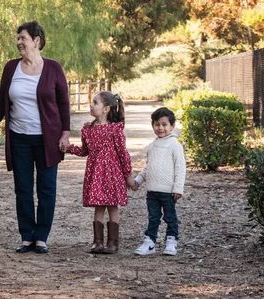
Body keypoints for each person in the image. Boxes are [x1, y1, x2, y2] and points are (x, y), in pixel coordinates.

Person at [0, 21, 70, 254]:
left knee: (46, 189)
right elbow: (2, 102)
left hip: (47, 139)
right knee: (22, 188)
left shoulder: (53, 68)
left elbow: (64, 103)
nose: (19, 42)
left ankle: (41, 237)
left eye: (22, 38)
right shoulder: (11, 67)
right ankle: (27, 236)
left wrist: (65, 134)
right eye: (18, 38)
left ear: (36, 40)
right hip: (19, 139)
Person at [67, 91, 133, 254]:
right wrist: (69, 148)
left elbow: (122, 153)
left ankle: (112, 243)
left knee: (112, 207)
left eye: (95, 102)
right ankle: (97, 242)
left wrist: (128, 175)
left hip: (112, 174)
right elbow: (84, 151)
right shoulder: (87, 129)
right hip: (95, 173)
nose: (91, 105)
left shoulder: (115, 129)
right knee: (98, 207)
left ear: (106, 109)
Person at [131, 107, 186, 256]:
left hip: (168, 192)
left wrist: (178, 188)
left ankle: (171, 241)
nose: (160, 128)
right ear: (153, 126)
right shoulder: (153, 146)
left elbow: (180, 168)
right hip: (152, 191)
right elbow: (148, 167)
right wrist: (138, 180)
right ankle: (150, 243)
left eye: (164, 124)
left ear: (172, 126)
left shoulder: (175, 145)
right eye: (157, 124)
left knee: (170, 217)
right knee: (153, 217)